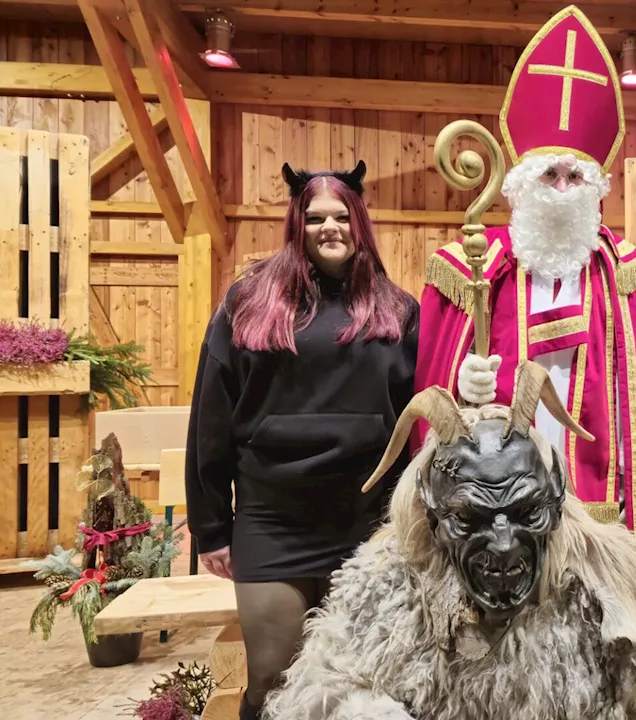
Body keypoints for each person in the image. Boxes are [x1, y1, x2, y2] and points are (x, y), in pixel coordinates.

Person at [411, 5, 636, 606]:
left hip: (596, 481)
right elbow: (434, 384)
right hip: (501, 488)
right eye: (549, 176)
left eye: (574, 177)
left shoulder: (626, 271)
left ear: (596, 188)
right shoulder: (469, 270)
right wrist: (462, 381)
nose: (562, 190)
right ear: (519, 185)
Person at [262, 361, 636, 720]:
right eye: (472, 519)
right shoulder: (386, 585)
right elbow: (325, 689)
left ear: (555, 498)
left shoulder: (609, 588)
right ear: (433, 514)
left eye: (526, 513)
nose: (504, 546)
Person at [184, 160, 420, 720]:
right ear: (297, 223)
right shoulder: (248, 303)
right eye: (315, 218)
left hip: (368, 528)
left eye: (341, 216)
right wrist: (212, 527)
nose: (329, 228)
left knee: (365, 679)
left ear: (359, 222)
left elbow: (420, 418)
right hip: (273, 523)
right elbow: (211, 420)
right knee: (273, 679)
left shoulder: (397, 310)